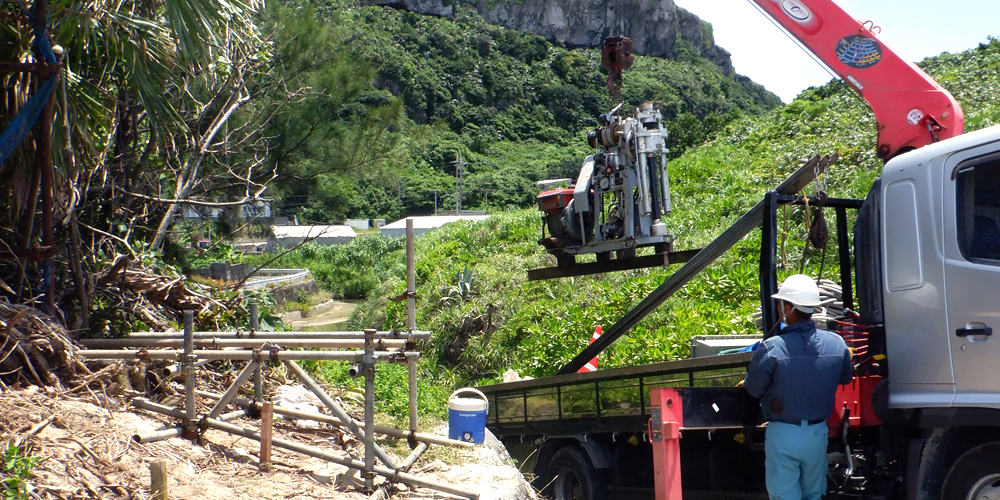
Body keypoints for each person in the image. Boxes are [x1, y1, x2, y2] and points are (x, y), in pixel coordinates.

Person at [745, 274, 854, 500]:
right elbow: (845, 378)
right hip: (817, 433)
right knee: (815, 494)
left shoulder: (772, 348)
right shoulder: (837, 344)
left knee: (785, 495)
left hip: (784, 433)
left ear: (788, 309)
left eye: (780, 304)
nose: (778, 308)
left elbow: (753, 389)